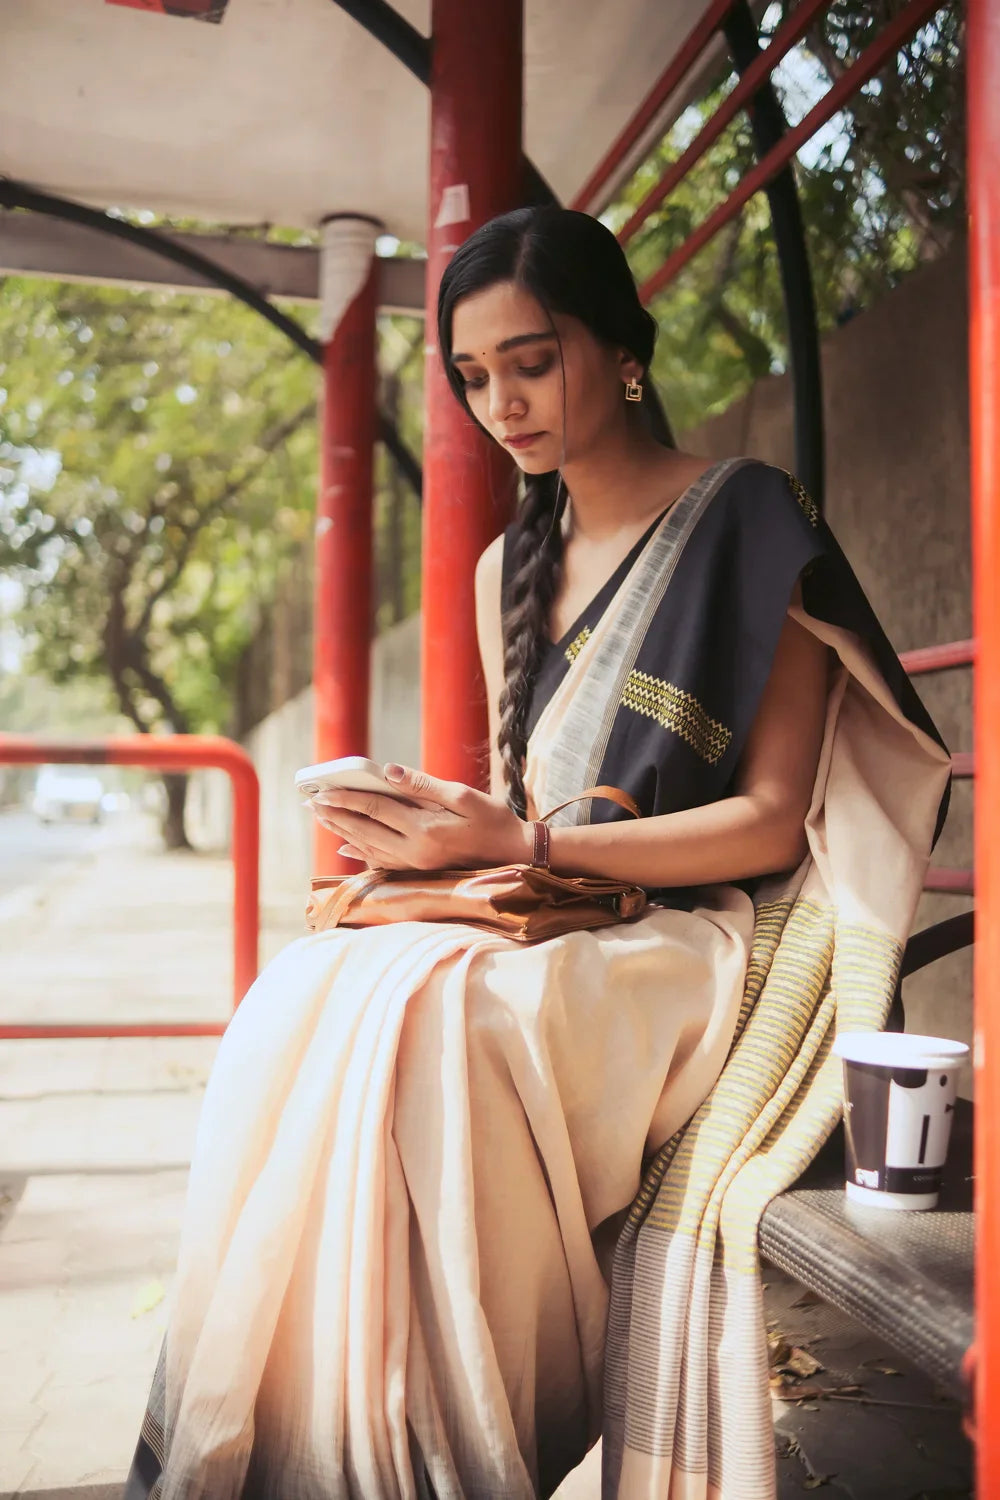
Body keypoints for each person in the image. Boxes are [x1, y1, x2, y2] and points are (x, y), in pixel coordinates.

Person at [126, 207, 951, 1500]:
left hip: (695, 934)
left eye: (531, 359)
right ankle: (326, 1447)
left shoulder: (746, 519)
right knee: (315, 994)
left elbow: (771, 819)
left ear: (622, 350)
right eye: (470, 376)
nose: (499, 402)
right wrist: (426, 840)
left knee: (452, 1018)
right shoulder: (504, 563)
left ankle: (447, 1450)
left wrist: (526, 840)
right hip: (559, 912)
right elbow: (525, 805)